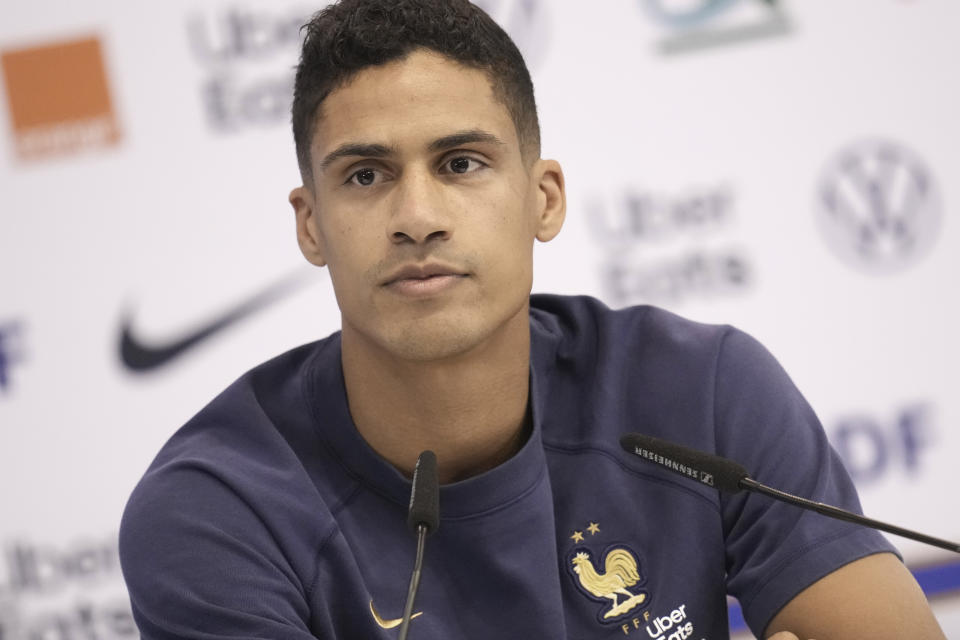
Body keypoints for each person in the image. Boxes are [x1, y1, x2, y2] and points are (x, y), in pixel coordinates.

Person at [118, 1, 946, 638]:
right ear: (311, 226)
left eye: (461, 163)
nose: (417, 216)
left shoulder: (700, 391)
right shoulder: (215, 512)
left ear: (542, 199)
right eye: (366, 176)